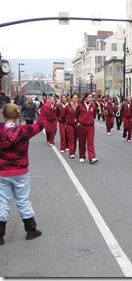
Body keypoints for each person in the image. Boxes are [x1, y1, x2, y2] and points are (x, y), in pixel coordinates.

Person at [0, 103, 51, 245]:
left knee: (2, 201)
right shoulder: (24, 130)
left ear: (3, 116)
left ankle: (0, 234)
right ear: (18, 115)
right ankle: (30, 229)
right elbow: (40, 125)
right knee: (23, 200)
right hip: (21, 170)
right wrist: (46, 107)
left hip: (2, 170)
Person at [76, 93, 98, 164]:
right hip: (82, 126)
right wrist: (79, 121)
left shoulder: (93, 106)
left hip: (90, 126)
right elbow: (77, 114)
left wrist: (90, 120)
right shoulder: (80, 106)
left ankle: (92, 157)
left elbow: (94, 115)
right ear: (85, 98)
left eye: (91, 97)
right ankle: (82, 156)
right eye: (89, 97)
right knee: (82, 142)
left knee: (90, 142)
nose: (90, 99)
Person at [60, 94, 79, 159]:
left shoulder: (79, 106)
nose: (75, 99)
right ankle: (71, 152)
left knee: (75, 139)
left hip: (76, 125)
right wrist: (66, 120)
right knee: (71, 139)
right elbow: (62, 115)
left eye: (76, 98)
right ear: (71, 99)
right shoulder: (68, 107)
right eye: (74, 98)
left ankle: (74, 150)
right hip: (69, 125)